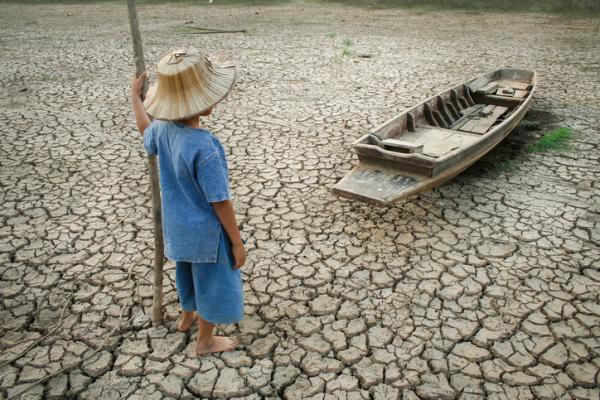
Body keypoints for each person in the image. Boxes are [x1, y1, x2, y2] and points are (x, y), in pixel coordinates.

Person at [130, 48, 245, 355]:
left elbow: (145, 130)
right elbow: (220, 201)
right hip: (207, 234)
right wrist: (236, 241)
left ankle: (186, 317)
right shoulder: (206, 147)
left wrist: (136, 99)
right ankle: (205, 340)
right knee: (210, 283)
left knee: (186, 275)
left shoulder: (164, 130)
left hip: (177, 228)